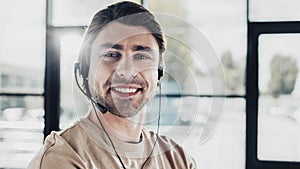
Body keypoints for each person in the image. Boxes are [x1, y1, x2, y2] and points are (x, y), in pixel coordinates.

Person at [28, 1, 197, 168]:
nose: (127, 71)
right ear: (85, 70)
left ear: (158, 72)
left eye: (142, 56)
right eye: (111, 54)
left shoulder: (178, 159)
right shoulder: (61, 158)